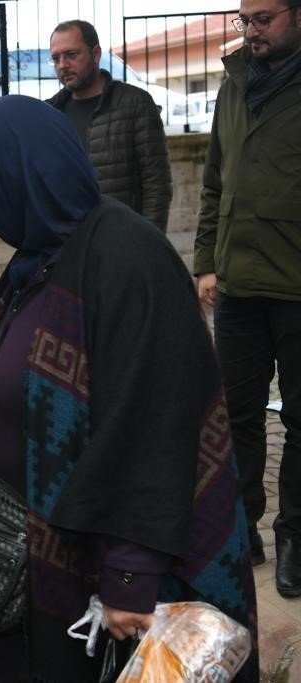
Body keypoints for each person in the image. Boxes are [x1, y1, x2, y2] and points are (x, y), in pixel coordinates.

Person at [0, 95, 257, 682]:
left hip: (108, 574)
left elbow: (155, 419)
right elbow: (41, 344)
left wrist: (130, 573)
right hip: (23, 558)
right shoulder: (44, 249)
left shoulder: (130, 259)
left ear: (25, 179)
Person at [195, 0, 301, 595]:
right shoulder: (234, 85)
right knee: (235, 417)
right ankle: (240, 532)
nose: (251, 30)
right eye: (245, 20)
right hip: (237, 288)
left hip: (297, 288)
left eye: (264, 18)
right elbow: (214, 180)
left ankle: (295, 539)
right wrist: (207, 262)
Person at [46, 19, 173, 232]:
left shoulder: (135, 103)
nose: (62, 65)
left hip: (123, 241)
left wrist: (148, 246)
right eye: (56, 58)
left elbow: (157, 184)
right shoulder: (51, 114)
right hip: (70, 246)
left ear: (95, 54)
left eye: (71, 55)